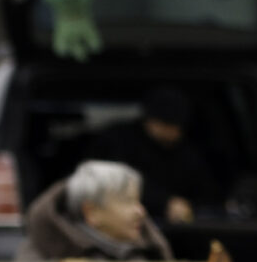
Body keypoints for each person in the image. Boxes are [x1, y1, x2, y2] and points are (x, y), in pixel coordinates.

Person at [86, 86, 227, 226]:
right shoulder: (118, 141)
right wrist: (164, 203)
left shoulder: (188, 152)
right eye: (167, 124)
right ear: (150, 120)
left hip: (181, 228)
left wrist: (191, 207)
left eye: (178, 126)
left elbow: (206, 192)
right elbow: (108, 184)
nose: (174, 132)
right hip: (120, 225)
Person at [22, 160, 175, 262]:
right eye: (127, 201)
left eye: (138, 201)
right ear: (91, 213)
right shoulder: (42, 261)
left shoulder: (145, 256)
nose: (141, 212)